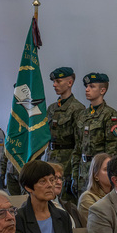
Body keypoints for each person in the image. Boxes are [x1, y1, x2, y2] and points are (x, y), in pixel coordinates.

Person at [15, 160, 75, 233]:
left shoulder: (63, 216)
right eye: (43, 181)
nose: (50, 185)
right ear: (28, 188)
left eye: (52, 180)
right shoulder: (19, 219)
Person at [74, 73, 117, 194]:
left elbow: (113, 151)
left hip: (99, 172)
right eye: (86, 86)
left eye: (91, 86)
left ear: (102, 90)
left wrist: (108, 176)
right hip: (82, 171)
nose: (87, 89)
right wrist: (74, 174)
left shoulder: (110, 115)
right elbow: (78, 147)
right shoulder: (82, 115)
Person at [43, 67, 87, 200]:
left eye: (58, 81)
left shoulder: (78, 108)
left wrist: (74, 170)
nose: (54, 85)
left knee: (66, 201)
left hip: (67, 160)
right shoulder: (51, 108)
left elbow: (79, 142)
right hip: (50, 157)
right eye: (54, 82)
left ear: (69, 83)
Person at [76, 153, 112, 224]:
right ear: (96, 175)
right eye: (106, 169)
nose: (111, 173)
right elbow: (97, 227)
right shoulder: (87, 198)